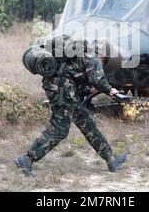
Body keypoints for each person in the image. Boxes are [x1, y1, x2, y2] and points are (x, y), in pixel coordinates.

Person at [15, 37, 127, 177]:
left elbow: (73, 76)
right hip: (62, 91)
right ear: (103, 54)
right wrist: (111, 90)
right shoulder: (93, 58)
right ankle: (26, 159)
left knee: (88, 123)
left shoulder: (81, 56)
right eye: (107, 59)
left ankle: (111, 160)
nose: (105, 62)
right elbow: (97, 80)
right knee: (59, 129)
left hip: (62, 88)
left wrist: (88, 89)